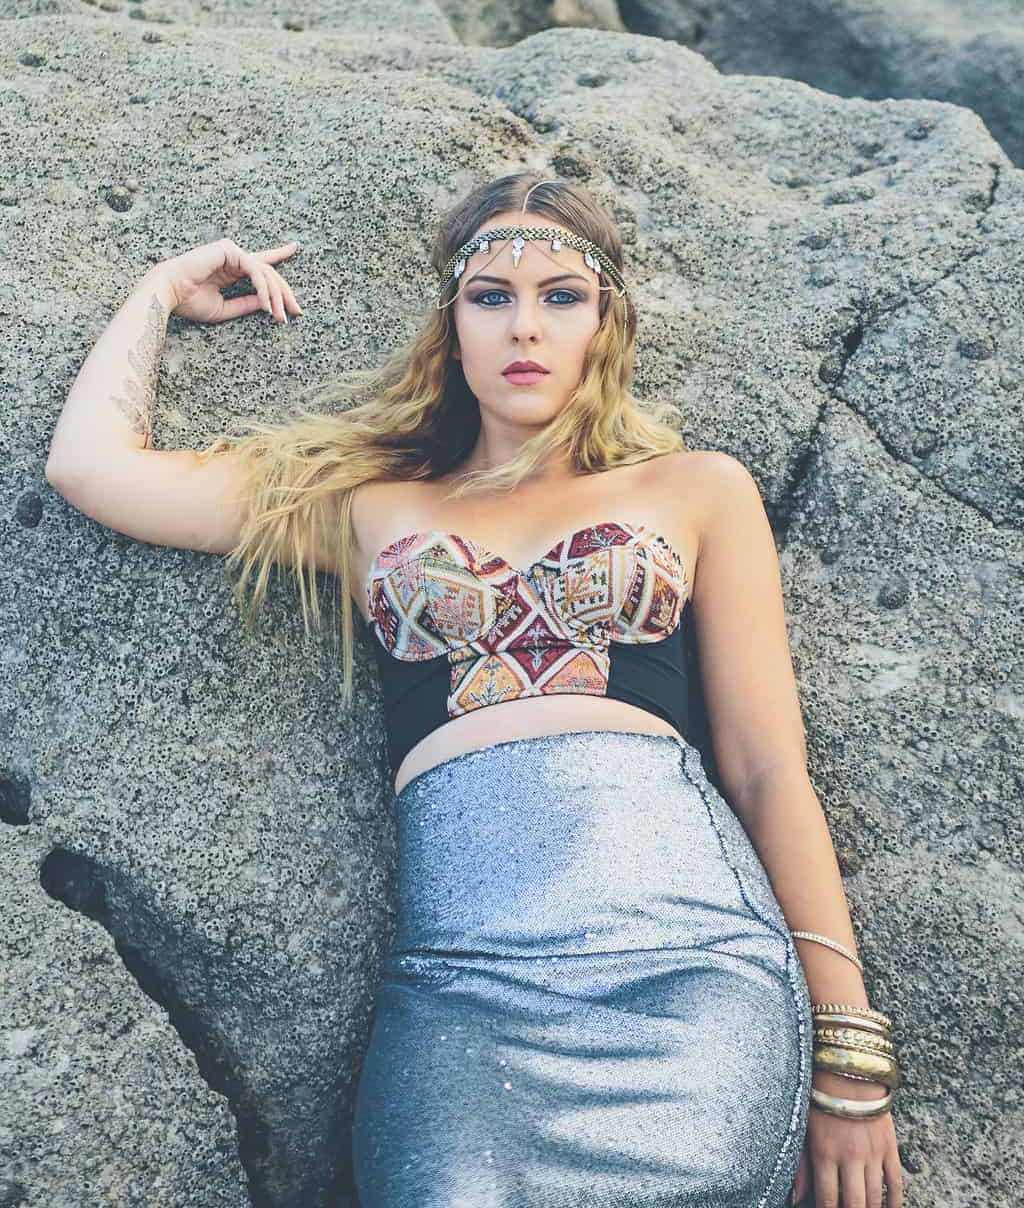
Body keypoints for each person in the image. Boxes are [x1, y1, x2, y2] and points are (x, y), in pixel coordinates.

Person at [46, 170, 905, 1208]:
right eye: (491, 296)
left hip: (690, 972)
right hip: (460, 991)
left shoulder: (695, 490)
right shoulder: (366, 507)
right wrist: (159, 289)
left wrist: (849, 1049)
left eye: (560, 296)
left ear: (603, 325)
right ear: (452, 328)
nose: (523, 326)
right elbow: (88, 470)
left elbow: (767, 771)